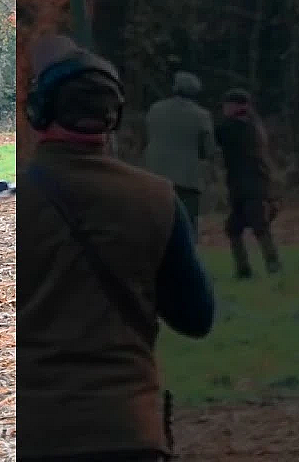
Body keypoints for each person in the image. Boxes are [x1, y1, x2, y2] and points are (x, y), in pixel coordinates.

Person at [19, 35, 215, 462]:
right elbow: (197, 317)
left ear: (37, 112)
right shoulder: (159, 199)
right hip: (128, 430)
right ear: (114, 117)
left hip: (32, 433)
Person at [214, 88, 281, 279]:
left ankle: (271, 265)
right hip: (247, 185)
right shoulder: (252, 125)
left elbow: (217, 136)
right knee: (235, 228)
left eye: (228, 105)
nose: (225, 109)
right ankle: (247, 270)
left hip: (250, 185)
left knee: (258, 226)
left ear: (239, 107)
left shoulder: (237, 128)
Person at [143, 71, 214, 236]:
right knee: (187, 225)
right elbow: (208, 149)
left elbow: (149, 138)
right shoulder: (202, 115)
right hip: (187, 179)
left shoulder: (155, 109)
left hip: (155, 175)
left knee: (157, 223)